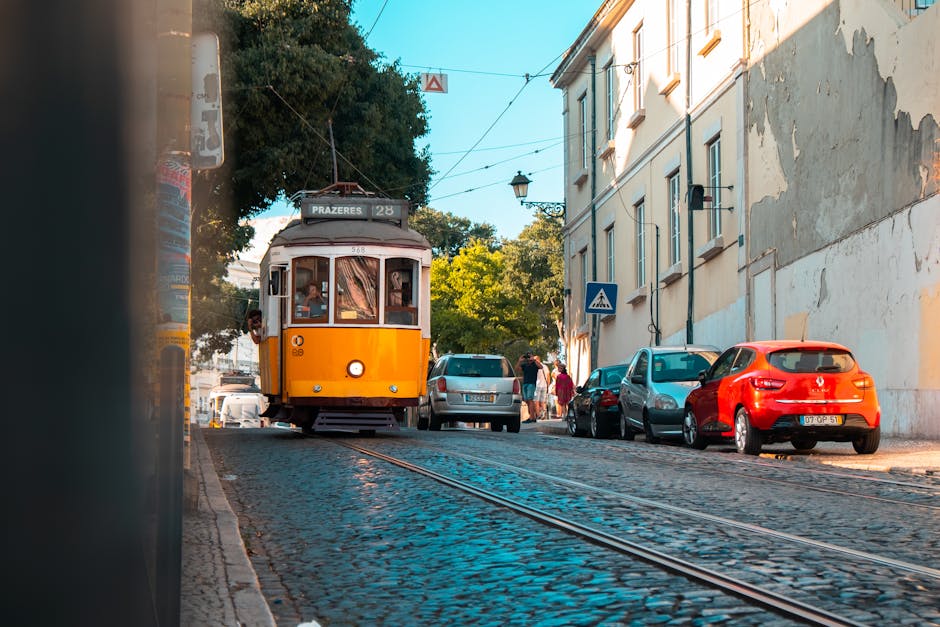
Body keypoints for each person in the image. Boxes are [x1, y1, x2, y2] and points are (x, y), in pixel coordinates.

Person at [515, 352, 543, 423]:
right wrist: (519, 361)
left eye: (530, 356)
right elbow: (517, 369)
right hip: (525, 384)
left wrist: (534, 359)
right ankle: (532, 417)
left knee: (530, 400)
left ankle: (531, 418)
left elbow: (541, 367)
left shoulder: (535, 364)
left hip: (531, 384)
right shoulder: (525, 365)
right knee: (527, 401)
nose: (528, 358)